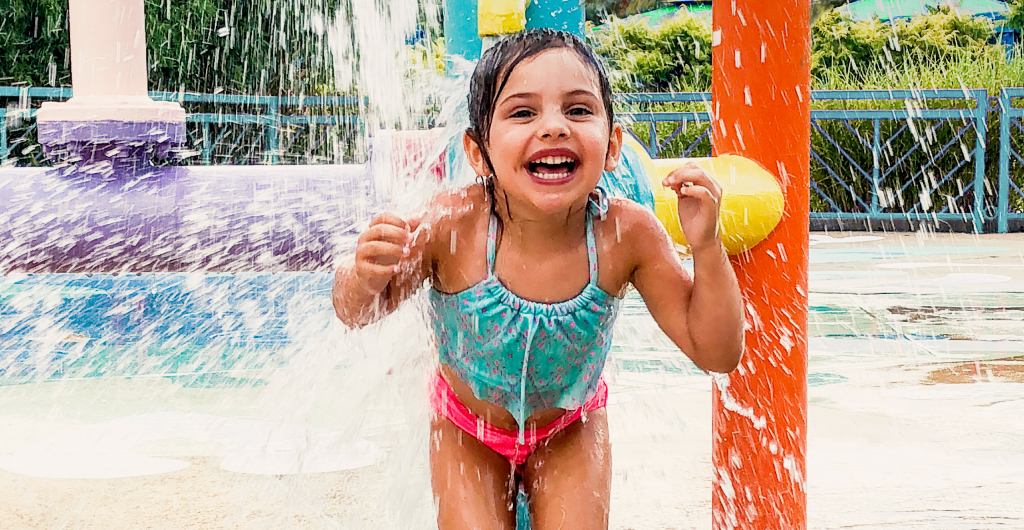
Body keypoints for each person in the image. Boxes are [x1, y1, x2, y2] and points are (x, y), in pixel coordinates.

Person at [332, 28, 743, 530]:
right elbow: (356, 312)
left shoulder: (625, 234)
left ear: (612, 145)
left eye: (578, 110)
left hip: (570, 427)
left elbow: (717, 352)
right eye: (523, 112)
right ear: (478, 152)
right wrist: (364, 274)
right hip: (469, 431)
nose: (554, 128)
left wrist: (706, 246)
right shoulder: (452, 227)